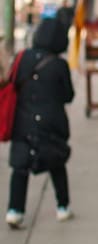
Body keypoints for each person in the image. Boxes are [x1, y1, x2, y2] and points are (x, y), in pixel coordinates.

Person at [5, 18, 75, 229]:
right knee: (56, 164)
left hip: (23, 122)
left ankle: (14, 210)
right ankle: (63, 207)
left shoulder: (21, 58)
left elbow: (12, 83)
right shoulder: (59, 65)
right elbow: (68, 95)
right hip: (51, 123)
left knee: (20, 168)